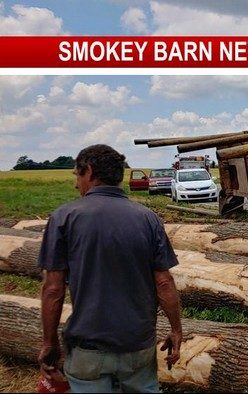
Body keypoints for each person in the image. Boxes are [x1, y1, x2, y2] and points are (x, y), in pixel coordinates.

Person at [37, 144, 183, 393]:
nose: (76, 184)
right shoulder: (148, 218)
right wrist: (176, 330)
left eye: (77, 175)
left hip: (88, 348)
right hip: (138, 345)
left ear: (90, 171)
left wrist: (49, 343)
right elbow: (164, 282)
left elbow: (53, 289)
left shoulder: (64, 217)